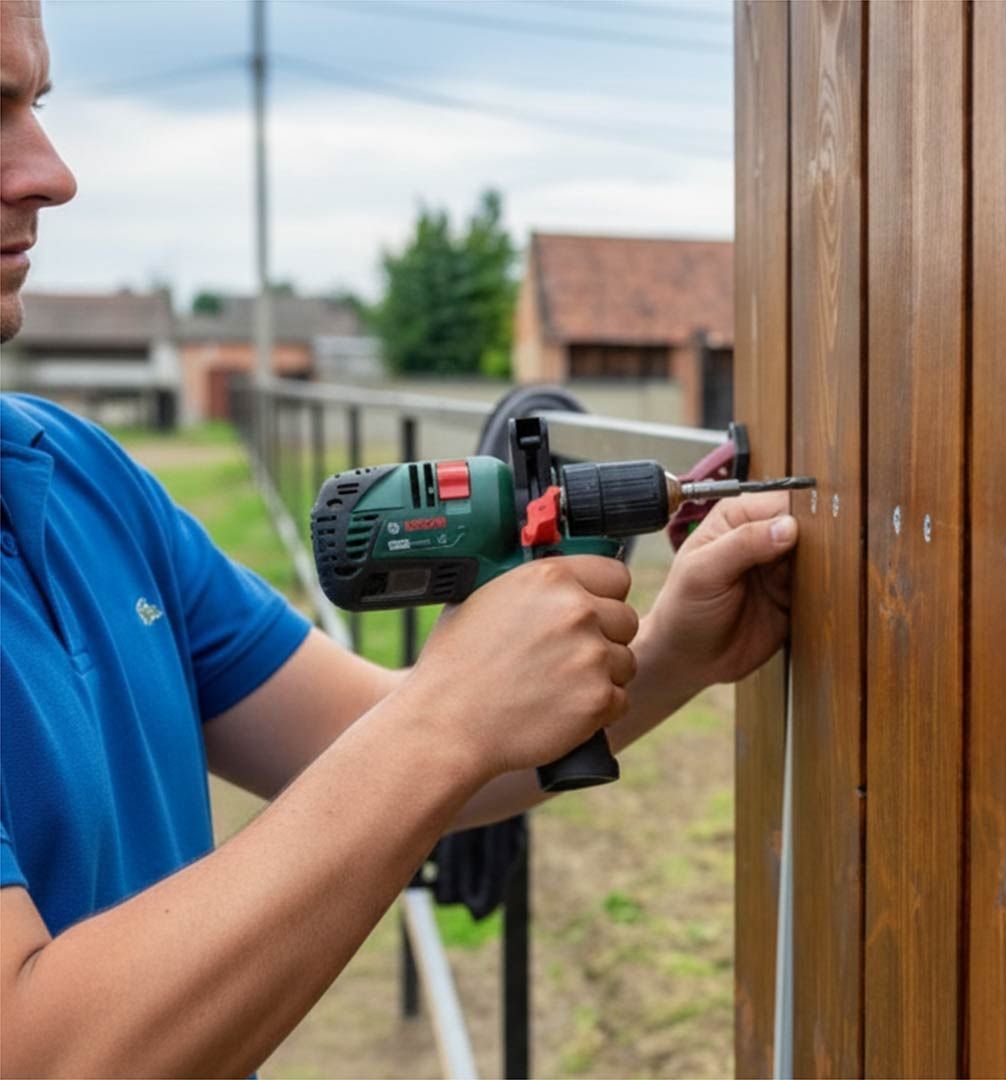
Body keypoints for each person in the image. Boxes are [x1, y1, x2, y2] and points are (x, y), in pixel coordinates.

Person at [0, 3, 798, 1073]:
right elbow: (41, 1053)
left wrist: (667, 658)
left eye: (37, 103)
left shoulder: (82, 477)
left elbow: (373, 752)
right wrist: (447, 711)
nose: (53, 173)